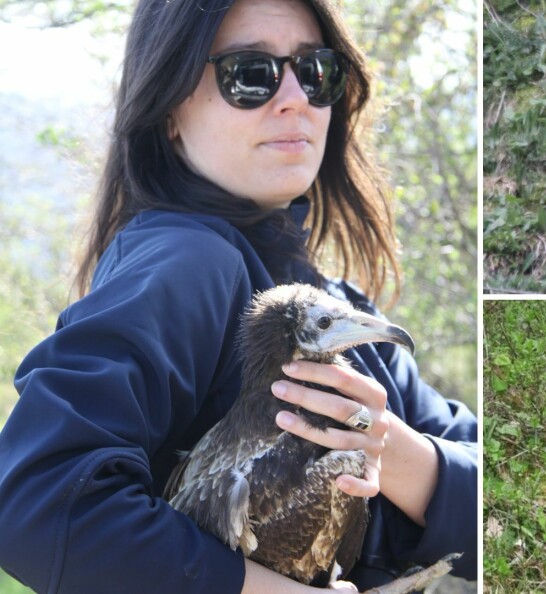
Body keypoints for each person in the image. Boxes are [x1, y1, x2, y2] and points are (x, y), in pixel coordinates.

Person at [0, 0, 477, 591]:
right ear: (169, 108)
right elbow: (38, 500)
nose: (294, 97)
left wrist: (392, 449)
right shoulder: (186, 263)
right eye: (249, 73)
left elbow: (498, 483)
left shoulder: (339, 309)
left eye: (316, 71)